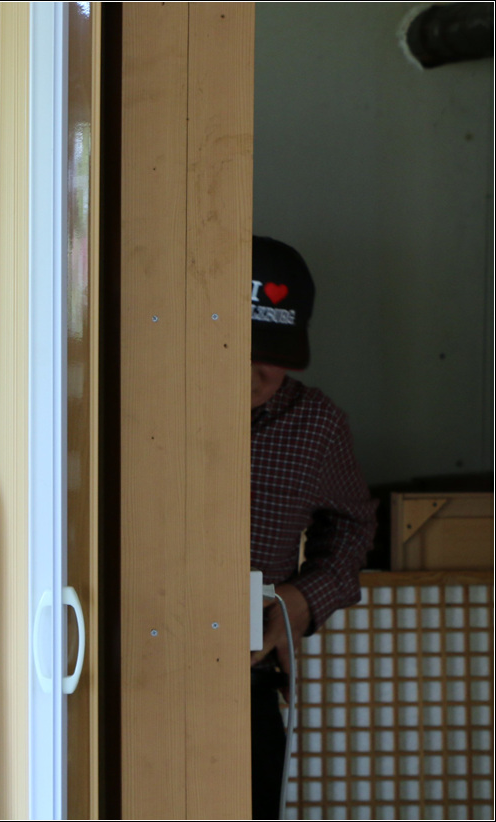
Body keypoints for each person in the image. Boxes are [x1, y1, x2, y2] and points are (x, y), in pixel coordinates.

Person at [247, 236, 377, 819]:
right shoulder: (136, 399)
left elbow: (353, 527)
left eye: (271, 356)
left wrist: (302, 600)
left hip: (247, 672)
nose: (254, 375)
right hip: (121, 662)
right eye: (238, 349)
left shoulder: (315, 423)